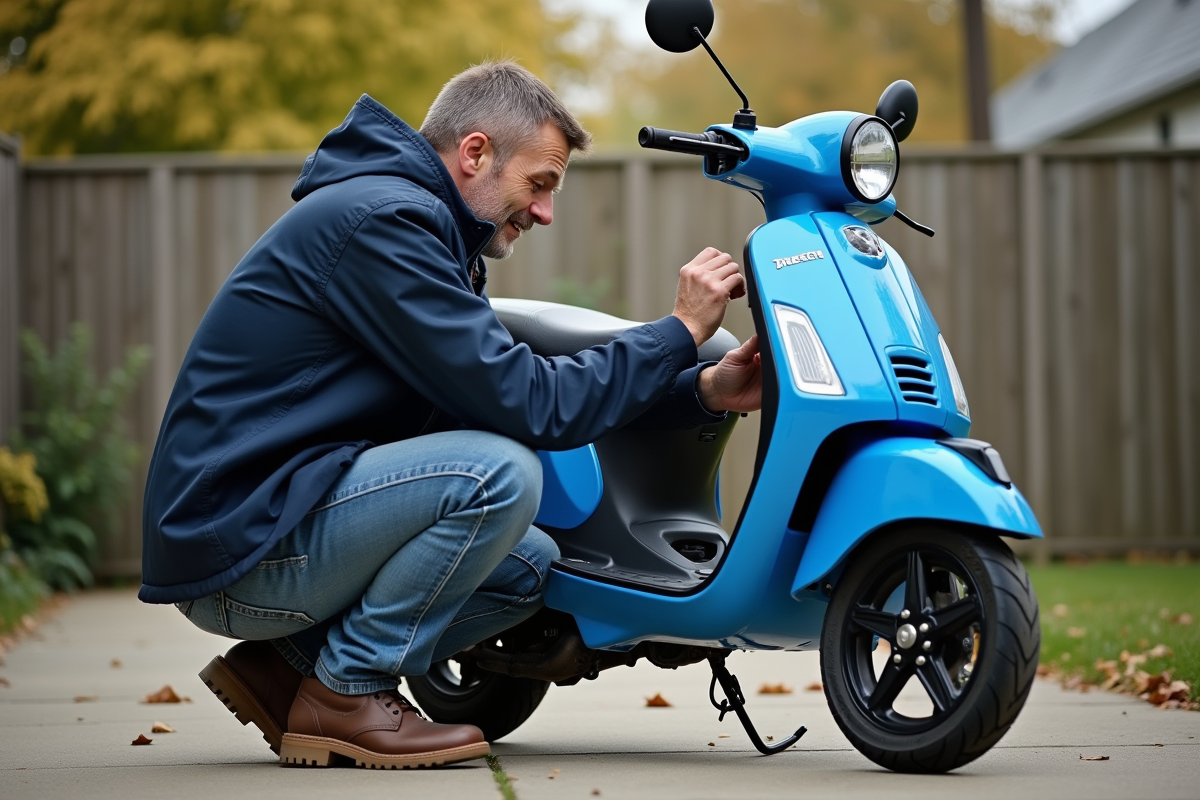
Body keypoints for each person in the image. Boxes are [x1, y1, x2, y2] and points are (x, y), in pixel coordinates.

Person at [140, 61, 762, 770]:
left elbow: (517, 389)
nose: (546, 211)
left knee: (531, 566)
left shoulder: (419, 228)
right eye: (541, 183)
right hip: (243, 542)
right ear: (474, 154)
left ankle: (289, 667)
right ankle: (346, 691)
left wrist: (703, 390)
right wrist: (678, 331)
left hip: (281, 517)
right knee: (496, 476)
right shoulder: (385, 223)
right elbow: (532, 404)